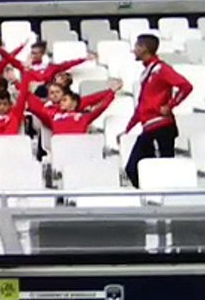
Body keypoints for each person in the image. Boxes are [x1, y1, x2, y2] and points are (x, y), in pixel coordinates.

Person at [123, 34, 194, 187]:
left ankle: (166, 200)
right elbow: (143, 103)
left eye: (136, 46)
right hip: (150, 126)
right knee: (137, 169)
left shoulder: (161, 68)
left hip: (161, 126)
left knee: (162, 170)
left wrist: (171, 105)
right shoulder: (148, 71)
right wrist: (128, 128)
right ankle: (150, 198)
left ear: (144, 48)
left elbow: (186, 86)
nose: (134, 50)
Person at [28, 81, 121, 135]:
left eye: (64, 100)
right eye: (52, 93)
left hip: (80, 150)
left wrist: (111, 92)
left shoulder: (84, 117)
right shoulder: (53, 117)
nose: (61, 102)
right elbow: (37, 111)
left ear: (73, 103)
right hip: (61, 151)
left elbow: (101, 107)